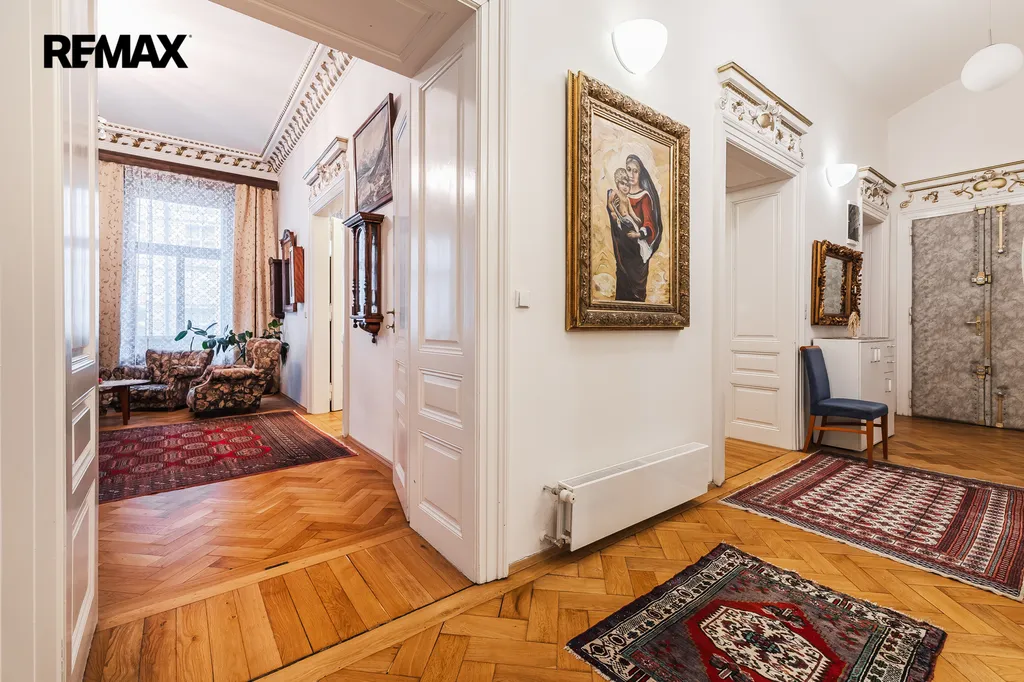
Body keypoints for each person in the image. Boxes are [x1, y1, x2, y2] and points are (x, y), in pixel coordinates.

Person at [604, 155, 664, 302]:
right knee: (623, 288)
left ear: (640, 173)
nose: (631, 174)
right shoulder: (621, 194)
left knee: (636, 294)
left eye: (635, 171)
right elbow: (615, 217)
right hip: (624, 252)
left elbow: (649, 225)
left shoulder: (644, 196)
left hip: (636, 256)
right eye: (628, 169)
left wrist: (638, 235)